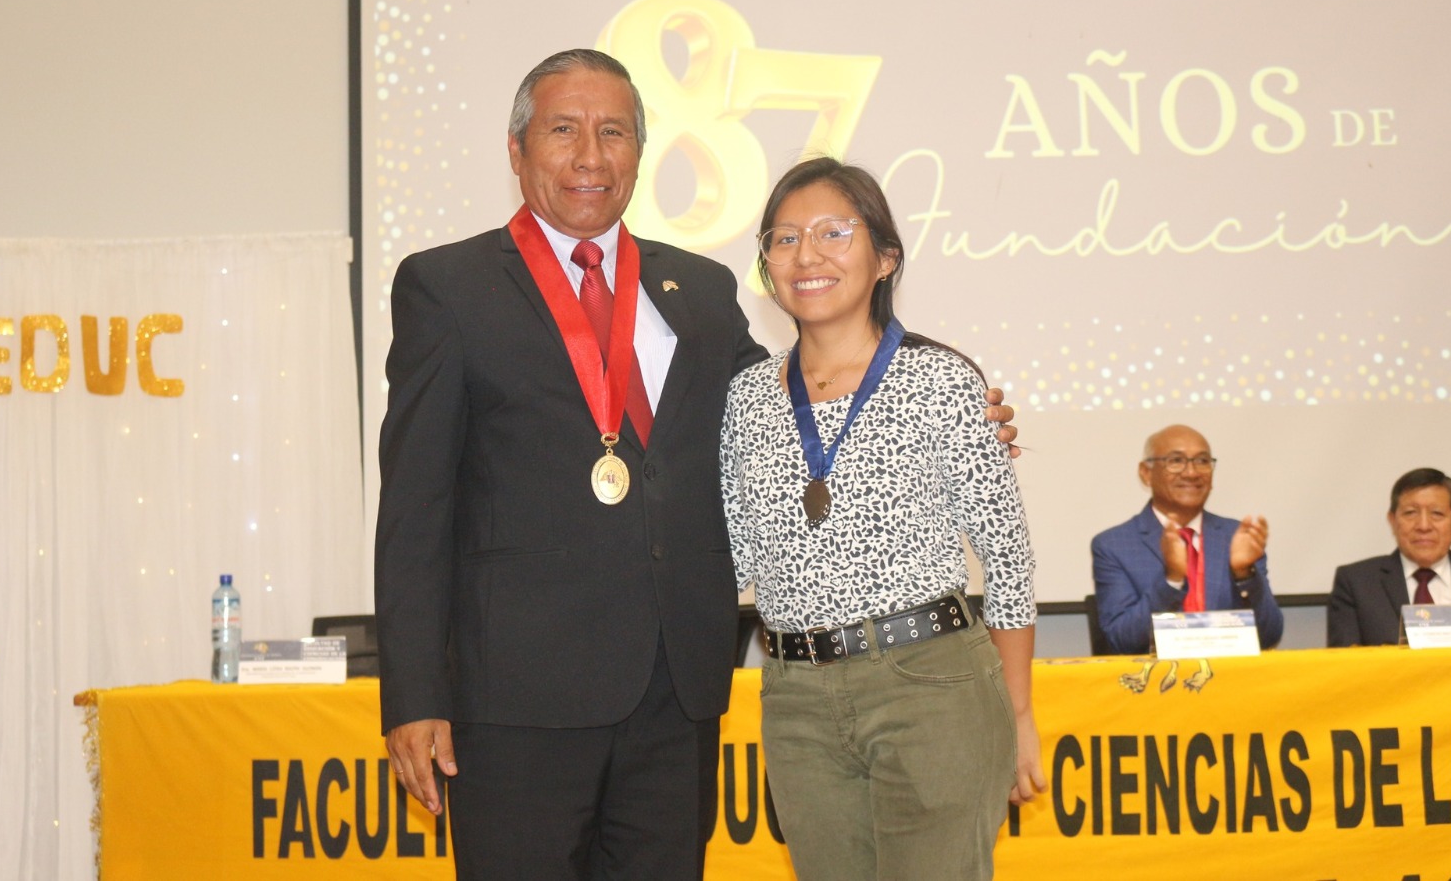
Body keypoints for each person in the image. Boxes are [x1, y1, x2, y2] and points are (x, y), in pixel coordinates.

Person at [373, 51, 1019, 880]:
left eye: (614, 133)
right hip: (517, 702)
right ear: (516, 149)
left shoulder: (700, 289)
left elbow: (793, 409)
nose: (590, 156)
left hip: (673, 696)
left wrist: (952, 413)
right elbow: (415, 510)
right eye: (563, 131)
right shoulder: (447, 287)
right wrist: (416, 696)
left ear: (640, 154)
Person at [720, 157, 1044, 881]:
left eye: (835, 232)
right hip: (796, 697)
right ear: (767, 265)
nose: (807, 255)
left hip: (929, 685)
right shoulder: (744, 398)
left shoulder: (942, 380)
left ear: (885, 258)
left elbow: (1009, 558)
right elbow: (734, 556)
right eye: (783, 237)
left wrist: (1019, 713)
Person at [1090, 425, 1283, 655]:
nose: (1191, 473)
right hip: (1158, 685)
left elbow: (1270, 635)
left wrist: (1245, 575)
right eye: (1176, 461)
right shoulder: (1114, 545)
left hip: (1230, 681)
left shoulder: (1237, 536)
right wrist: (1171, 581)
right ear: (1146, 473)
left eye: (1202, 461)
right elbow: (1123, 640)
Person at [1327, 467, 1451, 646]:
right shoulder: (1356, 583)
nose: (1423, 526)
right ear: (1392, 520)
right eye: (1410, 513)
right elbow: (1345, 665)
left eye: (1437, 514)